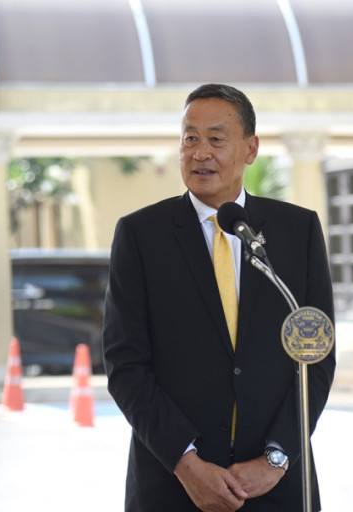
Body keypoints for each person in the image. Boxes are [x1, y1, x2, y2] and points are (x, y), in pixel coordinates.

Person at [102, 83, 335, 511]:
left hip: (276, 487)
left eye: (215, 139)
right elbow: (125, 364)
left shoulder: (296, 231)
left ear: (250, 149)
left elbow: (315, 359)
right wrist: (186, 464)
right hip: (173, 485)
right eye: (190, 139)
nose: (199, 153)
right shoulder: (140, 235)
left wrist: (276, 459)